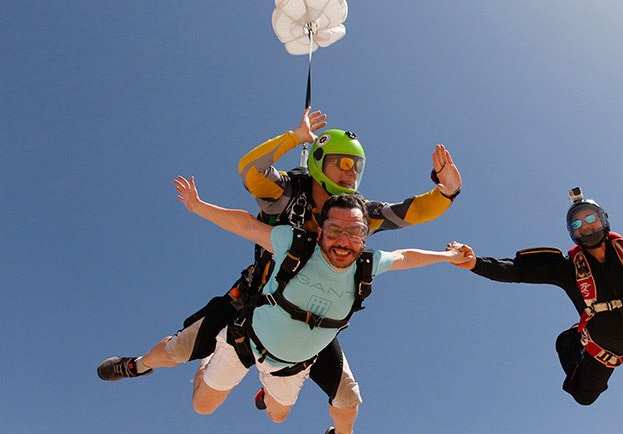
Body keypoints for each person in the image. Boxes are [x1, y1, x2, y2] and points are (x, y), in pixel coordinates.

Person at [98, 108, 461, 432]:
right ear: (319, 160)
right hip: (253, 297)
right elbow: (249, 171)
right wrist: (295, 138)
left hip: (312, 317)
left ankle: (272, 376)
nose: (351, 173)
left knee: (334, 401)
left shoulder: (357, 215)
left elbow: (408, 214)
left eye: (357, 166)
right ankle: (139, 364)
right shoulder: (288, 190)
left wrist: (446, 192)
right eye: (342, 162)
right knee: (177, 353)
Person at [174, 177, 470, 425]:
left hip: (291, 362)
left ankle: (268, 386)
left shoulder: (366, 264)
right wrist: (198, 206)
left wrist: (448, 256)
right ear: (320, 233)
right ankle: (208, 359)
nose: (344, 240)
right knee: (202, 406)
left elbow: (406, 256)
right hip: (249, 338)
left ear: (365, 236)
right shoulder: (297, 245)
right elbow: (248, 226)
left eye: (355, 232)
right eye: (334, 231)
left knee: (278, 417)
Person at [451, 155, 623, 405]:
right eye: (577, 224)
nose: (585, 226)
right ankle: (574, 338)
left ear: (604, 220)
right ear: (572, 234)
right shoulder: (565, 268)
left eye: (590, 219)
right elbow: (515, 270)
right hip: (604, 345)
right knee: (584, 397)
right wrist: (474, 263)